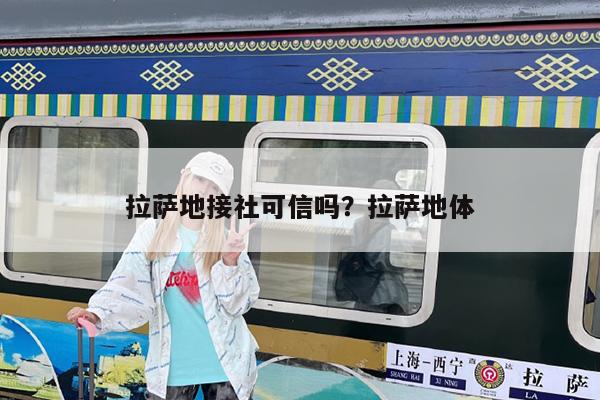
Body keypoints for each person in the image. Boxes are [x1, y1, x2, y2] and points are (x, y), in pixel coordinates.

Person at [66, 151, 260, 400]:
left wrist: (230, 262)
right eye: (200, 179)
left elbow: (238, 305)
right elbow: (128, 281)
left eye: (214, 187)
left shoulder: (225, 240)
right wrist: (97, 313)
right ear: (184, 176)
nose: (204, 190)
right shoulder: (154, 231)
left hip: (226, 365)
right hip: (172, 367)